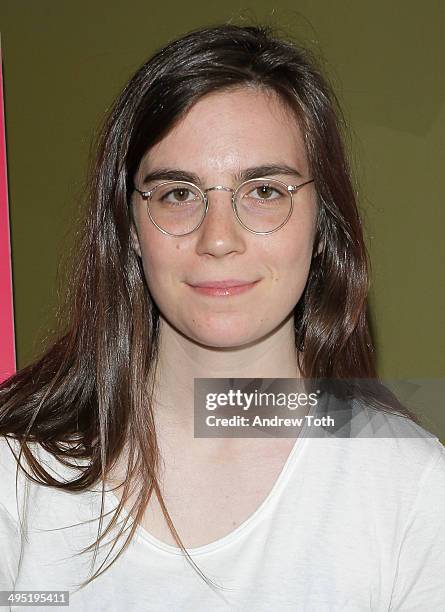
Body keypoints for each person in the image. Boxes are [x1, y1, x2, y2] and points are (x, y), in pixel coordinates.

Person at [0, 22, 444, 612]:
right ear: (130, 230)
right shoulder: (17, 471)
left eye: (264, 191)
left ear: (322, 224)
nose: (217, 240)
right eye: (178, 193)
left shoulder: (411, 490)